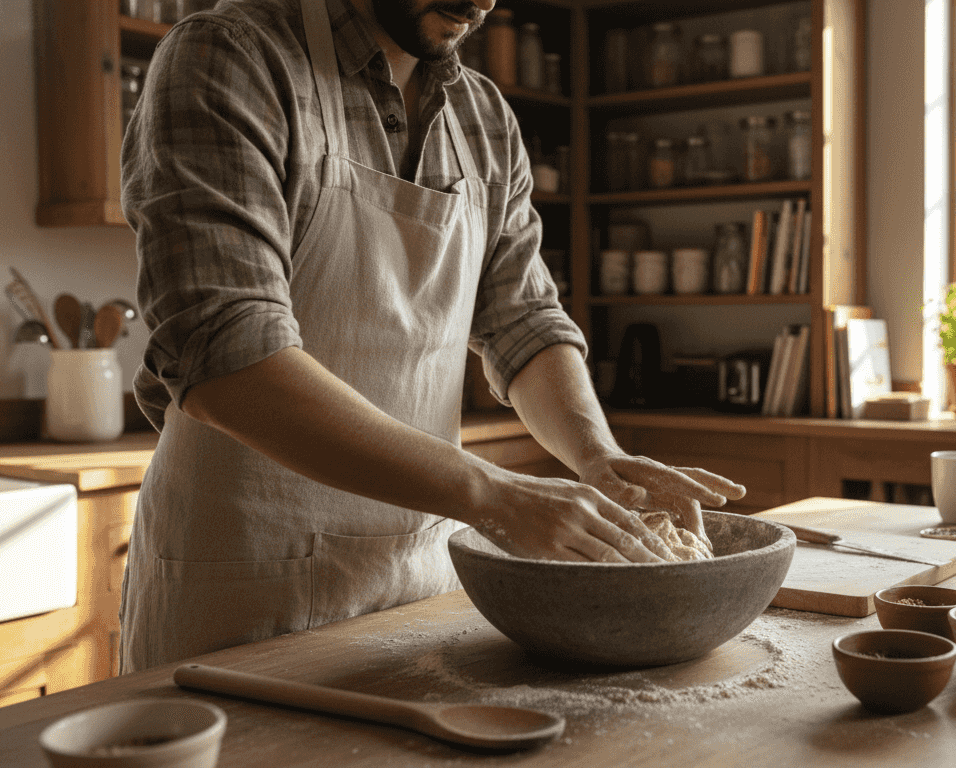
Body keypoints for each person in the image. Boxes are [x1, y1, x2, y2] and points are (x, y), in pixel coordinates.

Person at [117, 0, 745, 673]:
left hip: (422, 591)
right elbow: (227, 357)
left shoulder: (483, 117)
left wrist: (596, 454)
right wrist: (496, 496)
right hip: (243, 595)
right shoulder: (233, 58)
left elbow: (523, 322)